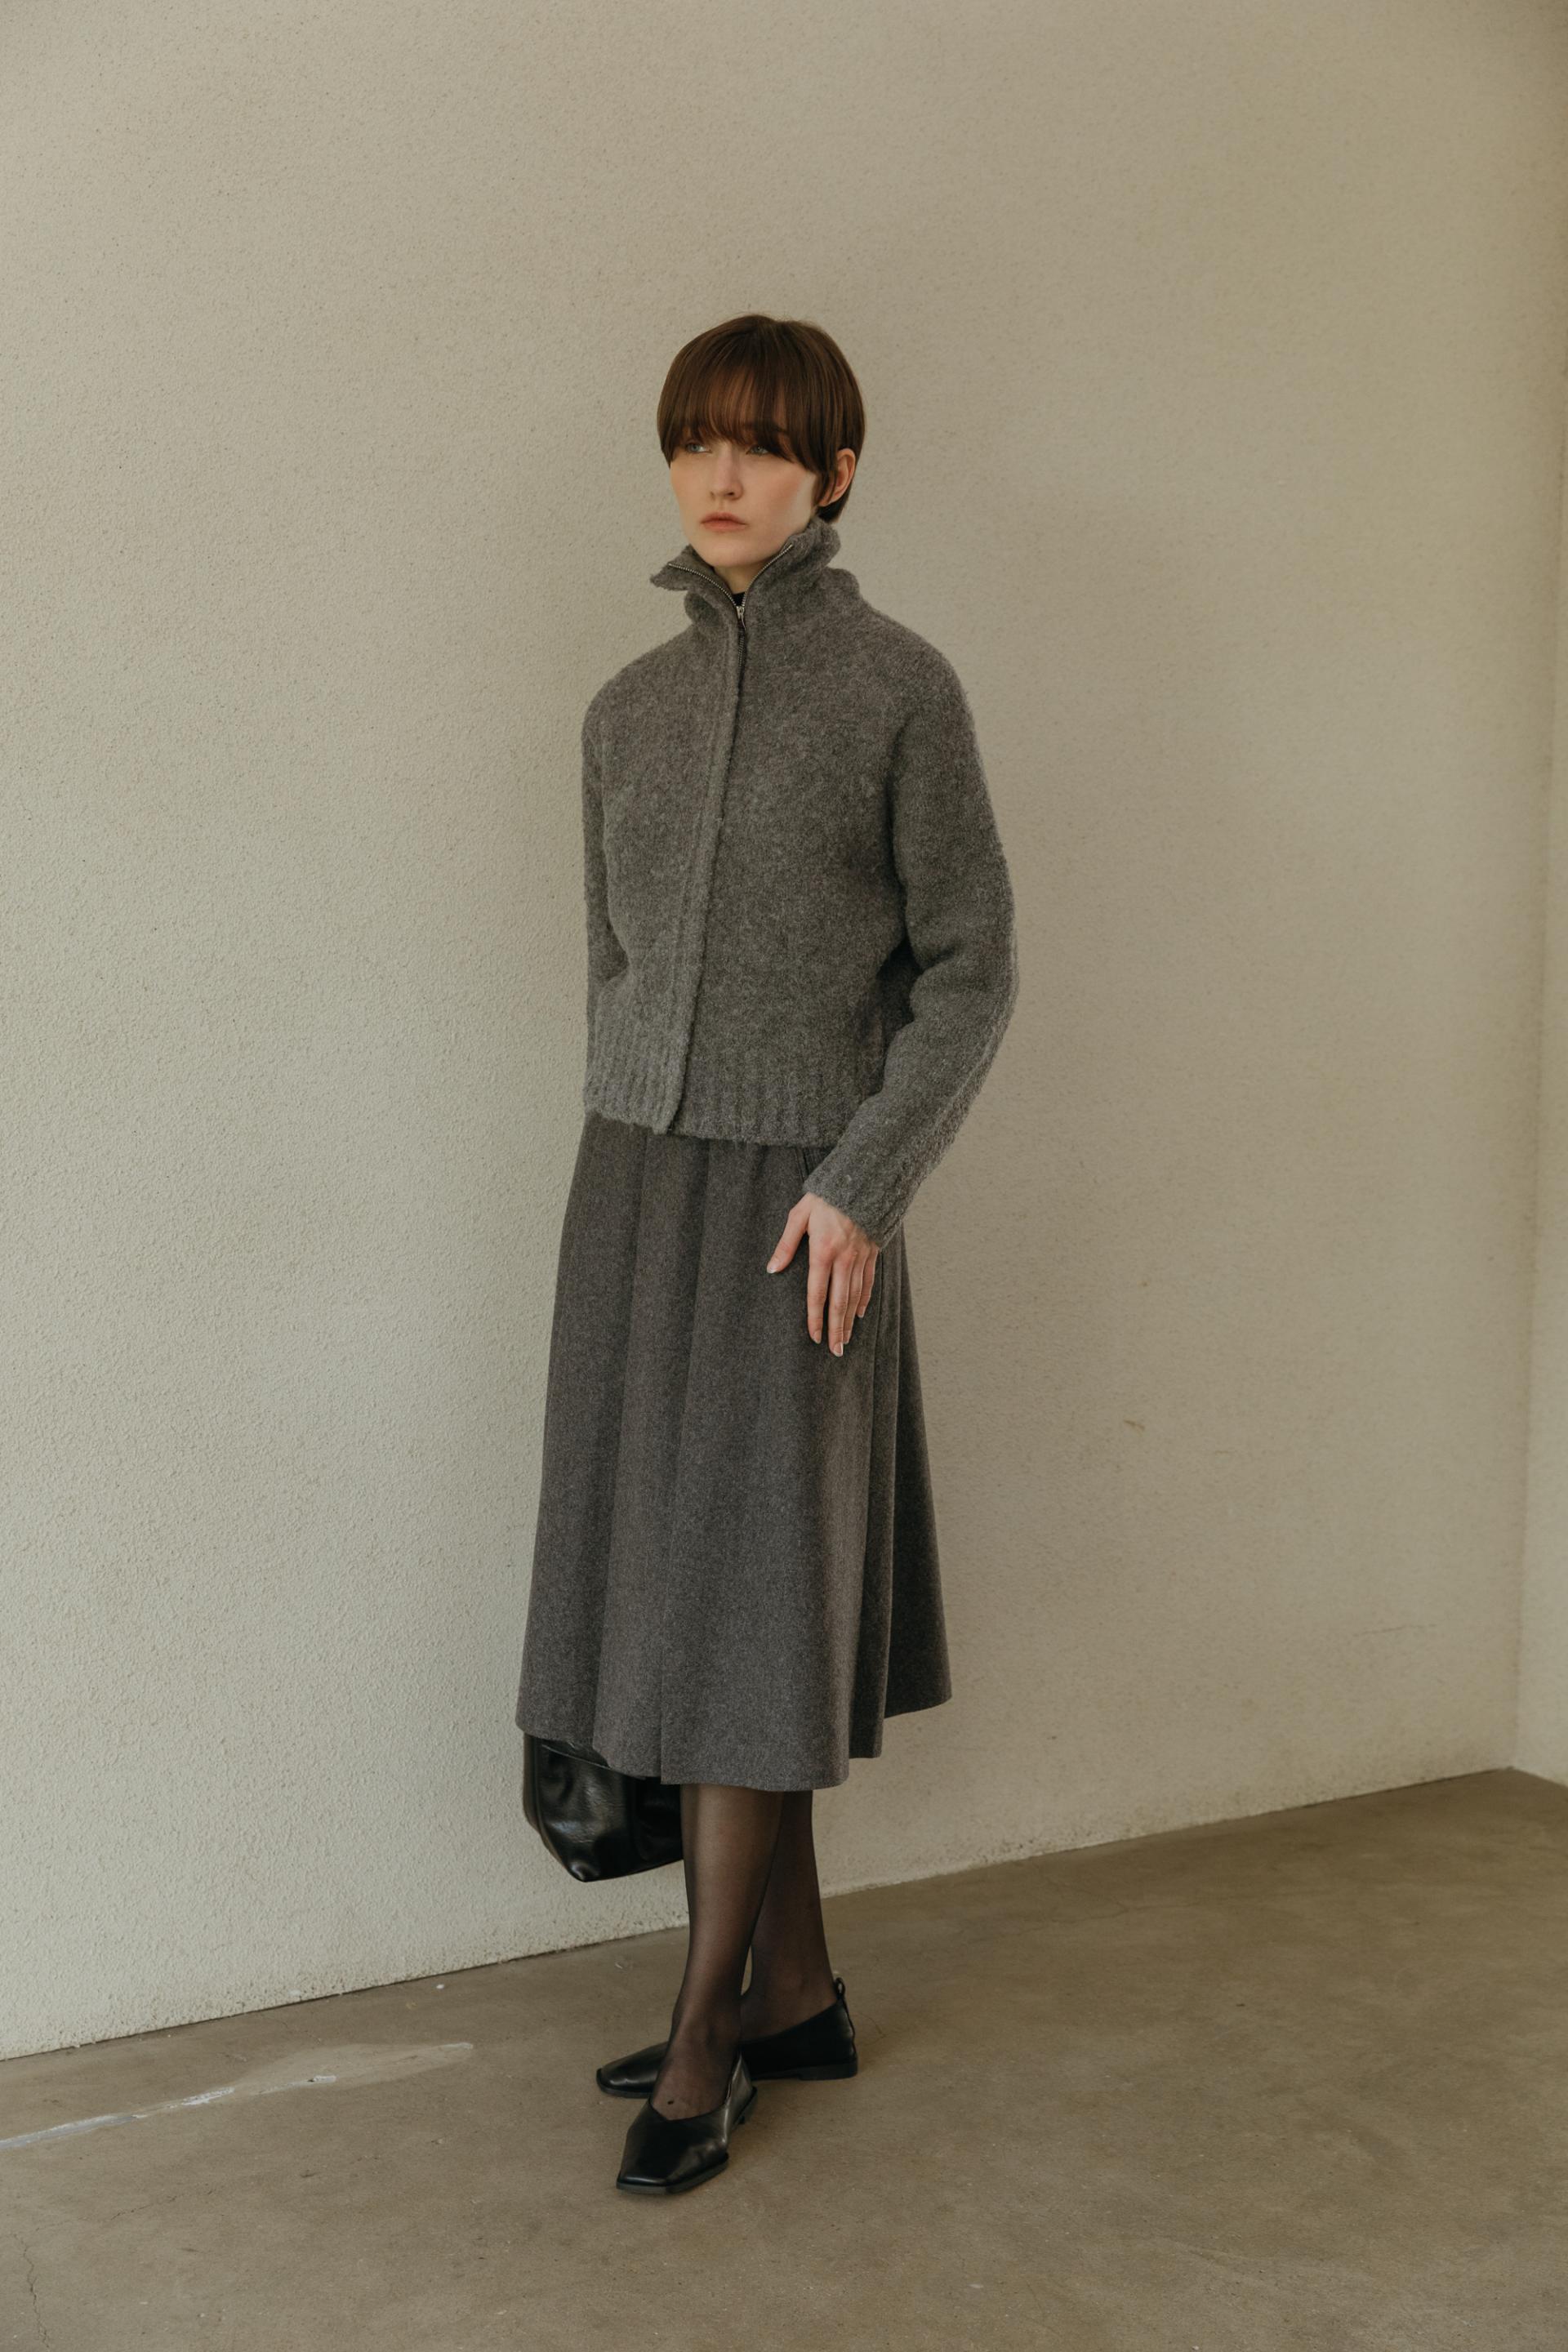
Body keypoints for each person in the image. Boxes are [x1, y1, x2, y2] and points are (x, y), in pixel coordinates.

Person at [514, 310, 1021, 2195]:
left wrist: (865, 1183)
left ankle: (706, 2031)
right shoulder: (621, 714)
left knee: (745, 1608)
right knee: (680, 1593)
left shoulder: (901, 690)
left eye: (760, 444)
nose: (719, 477)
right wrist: (632, 1135)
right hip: (633, 1193)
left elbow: (972, 969)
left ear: (836, 471)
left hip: (803, 1211)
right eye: (693, 442)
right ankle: (794, 1989)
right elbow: (613, 961)